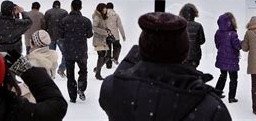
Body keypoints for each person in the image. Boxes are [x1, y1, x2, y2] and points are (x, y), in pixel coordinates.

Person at [99, 12, 232, 121]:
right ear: (184, 52)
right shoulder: (211, 107)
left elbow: (118, 79)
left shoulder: (113, 88)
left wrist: (136, 54)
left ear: (142, 49)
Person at [59, 0, 93, 103]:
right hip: (81, 50)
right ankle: (81, 88)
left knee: (70, 74)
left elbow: (61, 35)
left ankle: (72, 96)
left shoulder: (64, 20)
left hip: (68, 51)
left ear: (71, 7)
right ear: (81, 7)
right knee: (83, 71)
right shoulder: (86, 21)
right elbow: (89, 35)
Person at [21, 30, 58, 103]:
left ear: (34, 44)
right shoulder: (50, 56)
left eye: (31, 40)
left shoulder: (35, 62)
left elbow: (28, 86)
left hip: (33, 101)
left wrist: (12, 90)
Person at [214, 12, 242, 103]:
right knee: (233, 79)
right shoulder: (233, 34)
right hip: (232, 60)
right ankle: (231, 97)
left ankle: (217, 93)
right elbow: (237, 46)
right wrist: (242, 43)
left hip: (222, 59)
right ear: (231, 22)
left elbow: (217, 45)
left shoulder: (218, 33)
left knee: (223, 76)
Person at [43, 0, 68, 78]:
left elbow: (44, 25)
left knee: (50, 54)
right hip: (61, 37)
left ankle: (51, 71)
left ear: (53, 5)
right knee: (66, 54)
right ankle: (61, 68)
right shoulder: (64, 12)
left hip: (50, 36)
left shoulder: (48, 12)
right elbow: (66, 24)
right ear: (59, 5)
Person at [179, 3, 205, 68]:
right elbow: (202, 41)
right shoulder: (198, 26)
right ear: (194, 13)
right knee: (193, 74)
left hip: (182, 56)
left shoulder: (179, 25)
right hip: (194, 57)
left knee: (183, 74)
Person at [104, 2, 126, 69]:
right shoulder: (116, 15)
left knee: (108, 49)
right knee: (117, 47)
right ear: (113, 8)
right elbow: (120, 26)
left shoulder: (104, 15)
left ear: (106, 7)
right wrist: (123, 35)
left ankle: (108, 64)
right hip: (115, 36)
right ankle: (115, 58)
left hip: (106, 35)